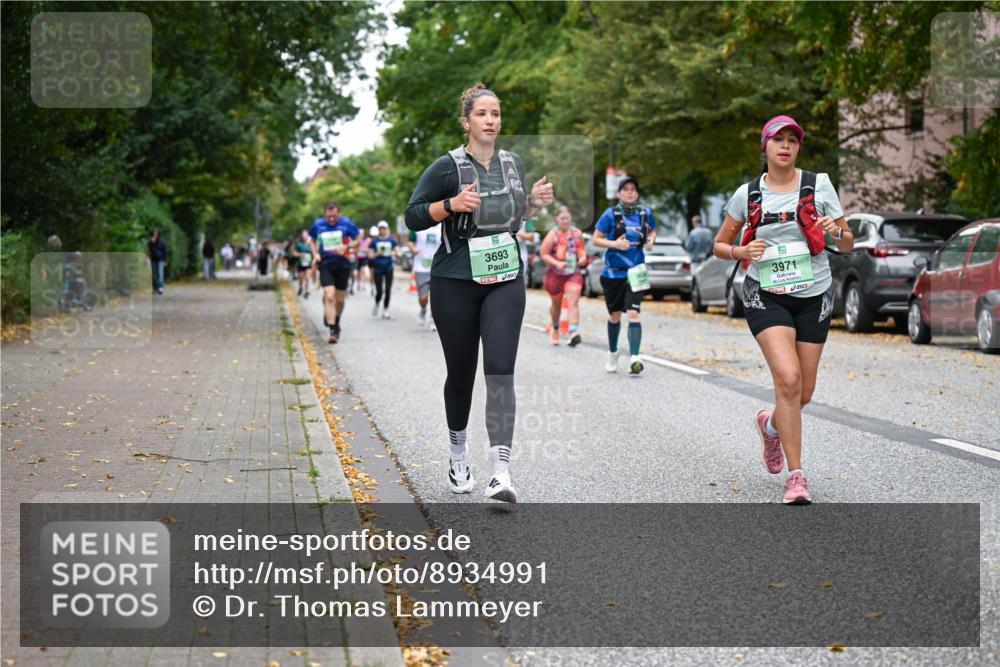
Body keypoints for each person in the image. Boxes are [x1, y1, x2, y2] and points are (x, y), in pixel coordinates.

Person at [404, 83, 554, 503]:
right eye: (483, 114)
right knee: (462, 374)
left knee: (501, 370)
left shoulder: (512, 164)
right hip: (455, 281)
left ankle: (500, 472)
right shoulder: (446, 167)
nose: (491, 120)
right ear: (466, 121)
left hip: (505, 277)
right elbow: (413, 216)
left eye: (496, 113)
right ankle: (457, 454)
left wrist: (533, 204)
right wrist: (450, 205)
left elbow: (513, 217)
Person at [713, 115, 853, 505]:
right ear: (766, 147)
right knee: (788, 380)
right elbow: (719, 245)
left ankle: (770, 425)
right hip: (766, 292)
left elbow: (847, 242)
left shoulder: (818, 184)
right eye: (779, 140)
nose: (786, 145)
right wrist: (741, 250)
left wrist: (834, 231)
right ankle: (797, 477)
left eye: (793, 140)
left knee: (803, 392)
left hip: (815, 293)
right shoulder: (748, 194)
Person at [591, 177, 657, 374]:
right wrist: (614, 244)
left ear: (637, 193)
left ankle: (635, 356)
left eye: (633, 189)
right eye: (625, 189)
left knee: (634, 313)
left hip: (637, 272)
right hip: (614, 273)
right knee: (615, 315)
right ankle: (612, 352)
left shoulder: (645, 213)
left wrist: (651, 240)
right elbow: (596, 239)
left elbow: (652, 231)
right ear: (619, 194)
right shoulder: (610, 214)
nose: (629, 192)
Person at [309, 201, 360, 344]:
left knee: (340, 299)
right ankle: (332, 329)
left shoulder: (346, 223)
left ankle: (336, 320)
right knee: (329, 295)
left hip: (343, 265)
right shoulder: (318, 224)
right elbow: (312, 241)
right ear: (324, 213)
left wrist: (347, 245)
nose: (331, 219)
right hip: (325, 265)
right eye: (328, 216)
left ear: (338, 213)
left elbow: (357, 239)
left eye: (334, 216)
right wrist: (315, 254)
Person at [540, 206, 587, 346]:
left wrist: (583, 258)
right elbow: (544, 254)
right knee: (557, 305)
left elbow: (582, 252)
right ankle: (555, 327)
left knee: (573, 302)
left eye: (567, 218)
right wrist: (556, 263)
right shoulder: (552, 235)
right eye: (562, 218)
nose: (565, 221)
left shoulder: (577, 233)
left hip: (573, 273)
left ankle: (573, 332)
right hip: (555, 275)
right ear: (557, 219)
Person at [408, 220, 442, 331]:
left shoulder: (443, 226)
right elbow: (410, 241)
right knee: (423, 297)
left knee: (435, 296)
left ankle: (433, 319)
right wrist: (412, 248)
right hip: (420, 267)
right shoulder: (418, 225)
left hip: (437, 266)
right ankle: (423, 309)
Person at [370, 220, 399, 318]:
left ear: (387, 229)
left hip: (388, 268)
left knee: (387, 290)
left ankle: (386, 309)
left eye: (384, 228)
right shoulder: (374, 241)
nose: (382, 230)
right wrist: (377, 254)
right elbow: (370, 256)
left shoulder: (391, 240)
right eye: (380, 228)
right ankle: (377, 303)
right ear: (378, 229)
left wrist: (396, 253)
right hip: (377, 268)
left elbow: (398, 252)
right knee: (379, 291)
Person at [292, 229, 314, 298]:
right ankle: (301, 287)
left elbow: (314, 252)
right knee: (301, 278)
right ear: (301, 236)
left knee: (307, 278)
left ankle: (306, 291)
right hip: (300, 263)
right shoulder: (298, 243)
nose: (305, 236)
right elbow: (293, 253)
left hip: (308, 263)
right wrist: (300, 254)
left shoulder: (311, 243)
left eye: (306, 234)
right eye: (303, 235)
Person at [148, 229, 167, 294]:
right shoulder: (150, 242)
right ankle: (155, 288)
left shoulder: (162, 242)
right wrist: (152, 243)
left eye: (156, 233)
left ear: (158, 234)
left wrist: (165, 260)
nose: (155, 235)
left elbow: (165, 251)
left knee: (160, 274)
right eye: (154, 233)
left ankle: (160, 287)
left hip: (160, 260)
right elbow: (150, 251)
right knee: (154, 275)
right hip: (153, 260)